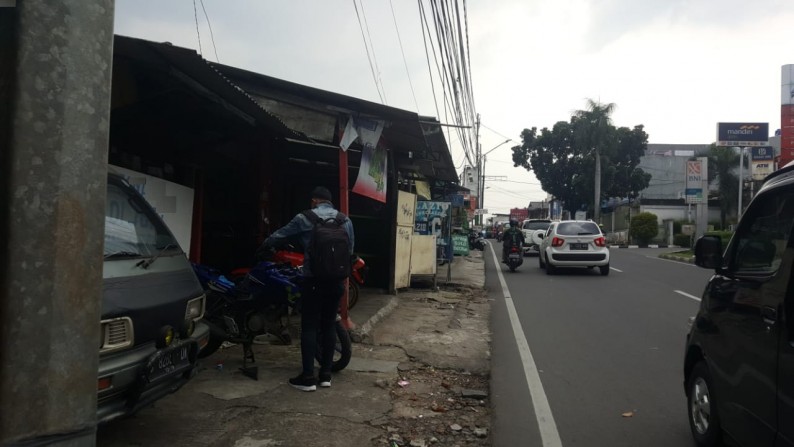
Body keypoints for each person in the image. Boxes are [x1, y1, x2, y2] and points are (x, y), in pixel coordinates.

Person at [257, 186, 355, 392]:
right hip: (337, 281)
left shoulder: (305, 217)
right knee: (328, 325)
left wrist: (265, 243)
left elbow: (279, 236)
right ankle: (326, 375)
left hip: (313, 281)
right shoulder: (345, 220)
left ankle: (308, 377)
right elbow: (350, 249)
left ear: (314, 201)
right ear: (330, 202)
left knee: (309, 326)